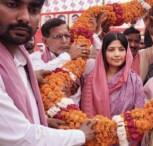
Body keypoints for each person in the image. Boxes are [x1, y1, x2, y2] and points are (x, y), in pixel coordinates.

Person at [0, 0, 97, 145]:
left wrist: (41, 120)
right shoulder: (34, 60)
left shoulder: (20, 60)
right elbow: (22, 136)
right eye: (13, 4)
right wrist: (80, 135)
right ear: (45, 41)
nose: (25, 17)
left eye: (34, 9)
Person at [81, 32, 145, 119]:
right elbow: (87, 111)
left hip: (126, 130)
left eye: (121, 49)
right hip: (96, 129)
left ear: (127, 52)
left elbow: (139, 113)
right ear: (103, 53)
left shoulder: (135, 80)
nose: (117, 54)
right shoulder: (92, 79)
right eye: (111, 50)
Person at [123, 7, 153, 82]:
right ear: (122, 41)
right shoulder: (115, 55)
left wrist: (150, 27)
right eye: (129, 41)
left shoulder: (144, 55)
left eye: (136, 41)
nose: (132, 45)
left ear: (140, 43)